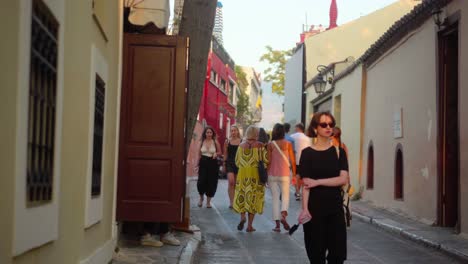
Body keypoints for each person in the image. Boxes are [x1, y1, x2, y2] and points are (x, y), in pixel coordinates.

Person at [299, 112, 349, 264]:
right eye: (323, 124)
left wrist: (318, 182)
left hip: (335, 209)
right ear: (315, 128)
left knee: (337, 256)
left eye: (331, 124)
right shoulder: (306, 154)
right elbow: (306, 185)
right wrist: (305, 209)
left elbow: (343, 179)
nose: (328, 127)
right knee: (316, 256)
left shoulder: (339, 151)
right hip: (314, 210)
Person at [233, 126, 268, 232]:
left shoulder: (240, 145)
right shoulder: (260, 145)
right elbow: (265, 160)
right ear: (256, 134)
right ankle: (249, 226)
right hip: (255, 174)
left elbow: (237, 162)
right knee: (253, 197)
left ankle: (242, 217)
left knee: (242, 195)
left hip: (243, 174)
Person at [267, 123, 296, 232]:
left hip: (272, 175)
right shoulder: (288, 144)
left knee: (275, 199)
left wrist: (266, 175)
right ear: (283, 132)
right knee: (285, 196)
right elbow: (292, 161)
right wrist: (295, 174)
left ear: (274, 132)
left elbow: (268, 161)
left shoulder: (270, 144)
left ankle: (277, 226)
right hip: (285, 174)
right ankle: (283, 214)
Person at [197, 126, 221, 208]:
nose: (209, 134)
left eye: (210, 132)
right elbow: (199, 154)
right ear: (205, 133)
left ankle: (208, 202)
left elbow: (220, 152)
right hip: (203, 163)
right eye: (207, 132)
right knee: (201, 181)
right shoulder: (201, 142)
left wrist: (216, 154)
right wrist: (197, 165)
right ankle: (201, 198)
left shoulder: (215, 142)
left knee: (211, 182)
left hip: (212, 163)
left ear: (212, 133)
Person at [290, 123, 312, 201]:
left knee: (296, 176)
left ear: (298, 128)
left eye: (295, 128)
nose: (295, 130)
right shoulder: (308, 139)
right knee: (302, 177)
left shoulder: (292, 137)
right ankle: (301, 192)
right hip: (305, 160)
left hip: (295, 160)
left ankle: (297, 192)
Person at [223, 125, 242, 209]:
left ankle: (236, 201)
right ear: (230, 132)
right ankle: (231, 202)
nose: (233, 132)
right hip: (229, 163)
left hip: (239, 164)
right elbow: (225, 153)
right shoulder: (227, 141)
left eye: (235, 130)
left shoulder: (242, 142)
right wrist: (224, 164)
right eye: (232, 131)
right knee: (231, 182)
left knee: (237, 184)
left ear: (238, 132)